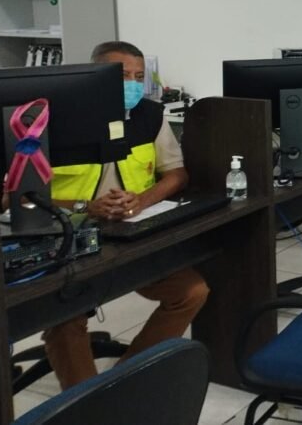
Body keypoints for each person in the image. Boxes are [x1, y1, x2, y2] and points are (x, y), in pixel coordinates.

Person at [43, 40, 209, 389]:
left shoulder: (149, 115)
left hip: (130, 232)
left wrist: (142, 200)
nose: (132, 84)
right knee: (65, 317)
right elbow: (15, 197)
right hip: (68, 236)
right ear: (96, 76)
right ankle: (88, 403)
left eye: (138, 76)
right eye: (123, 76)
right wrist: (83, 207)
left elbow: (177, 174)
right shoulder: (53, 119)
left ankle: (127, 379)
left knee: (192, 290)